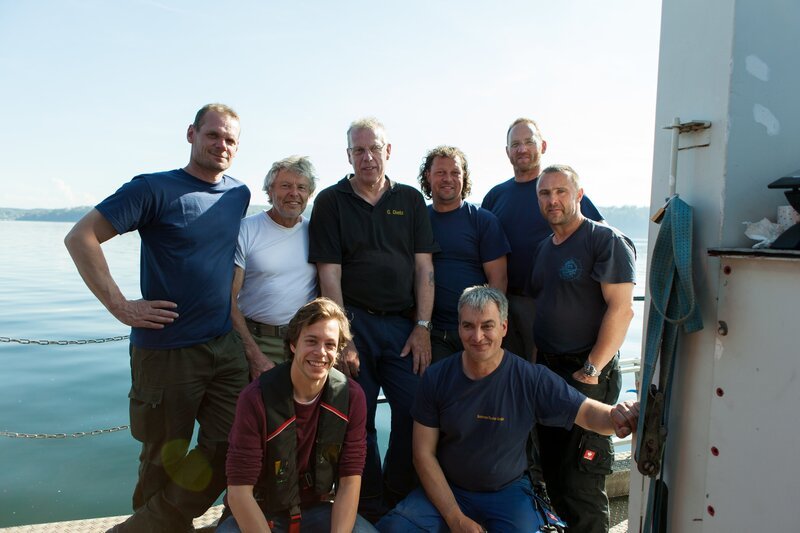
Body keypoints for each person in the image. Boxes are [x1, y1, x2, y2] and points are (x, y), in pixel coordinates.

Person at [63, 104, 250, 532]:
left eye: (230, 140)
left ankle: (144, 526)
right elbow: (81, 237)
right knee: (163, 455)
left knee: (233, 443)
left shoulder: (238, 194)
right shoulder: (153, 188)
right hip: (166, 350)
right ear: (191, 134)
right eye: (213, 135)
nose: (221, 145)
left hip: (224, 346)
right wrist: (120, 306)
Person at [376, 286, 639, 532]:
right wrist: (455, 518)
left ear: (503, 327)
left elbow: (589, 413)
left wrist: (618, 416)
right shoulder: (437, 378)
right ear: (459, 327)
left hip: (507, 492)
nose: (477, 336)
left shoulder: (530, 378)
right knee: (395, 528)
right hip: (449, 489)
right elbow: (423, 454)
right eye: (468, 326)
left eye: (487, 326)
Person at [308, 117, 439, 519]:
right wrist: (342, 336)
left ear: (388, 151)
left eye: (374, 149)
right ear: (349, 155)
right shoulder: (331, 202)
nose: (368, 157)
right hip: (354, 323)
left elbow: (424, 268)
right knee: (357, 417)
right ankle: (368, 505)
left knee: (414, 410)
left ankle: (400, 494)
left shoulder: (410, 200)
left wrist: (422, 327)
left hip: (403, 326)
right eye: (359, 150)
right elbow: (329, 274)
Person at [531, 164, 636, 533]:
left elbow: (622, 309)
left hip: (586, 372)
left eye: (561, 191)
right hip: (548, 372)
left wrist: (592, 368)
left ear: (578, 195)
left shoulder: (605, 240)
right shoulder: (545, 249)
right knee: (553, 473)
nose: (553, 200)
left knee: (580, 480)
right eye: (545, 193)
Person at [218, 297, 377, 533]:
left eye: (330, 344)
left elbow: (349, 481)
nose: (320, 352)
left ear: (338, 350)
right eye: (311, 341)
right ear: (293, 344)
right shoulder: (255, 398)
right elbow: (239, 493)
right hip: (261, 510)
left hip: (317, 511)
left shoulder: (351, 397)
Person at [481, 117, 604, 362]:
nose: (522, 149)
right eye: (515, 144)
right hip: (505, 302)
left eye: (529, 142)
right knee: (507, 372)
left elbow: (602, 237)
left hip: (552, 303)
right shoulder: (495, 196)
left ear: (543, 146)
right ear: (507, 152)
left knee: (542, 373)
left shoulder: (560, 192)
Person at [417, 146, 509, 362]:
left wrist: (487, 329)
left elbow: (498, 279)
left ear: (464, 176)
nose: (448, 179)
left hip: (475, 333)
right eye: (440, 172)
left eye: (455, 172)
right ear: (428, 175)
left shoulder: (483, 220)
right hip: (432, 332)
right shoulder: (419, 220)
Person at [231, 156, 319, 380]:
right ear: (270, 191)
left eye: (301, 187)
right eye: (286, 186)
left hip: (304, 341)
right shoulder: (246, 230)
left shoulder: (316, 233)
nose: (294, 193)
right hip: (257, 340)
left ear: (310, 194)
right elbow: (228, 299)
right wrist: (254, 354)